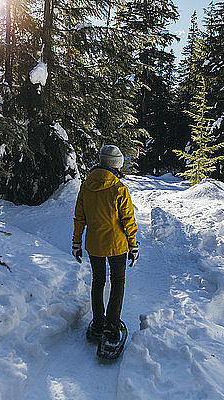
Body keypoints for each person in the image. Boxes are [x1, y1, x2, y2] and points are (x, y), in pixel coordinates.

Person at [72, 145, 139, 343]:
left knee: (98, 281)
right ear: (117, 165)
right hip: (117, 245)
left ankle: (98, 324)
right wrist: (133, 245)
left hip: (94, 244)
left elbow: (79, 217)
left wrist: (76, 242)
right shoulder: (119, 188)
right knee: (117, 283)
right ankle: (112, 326)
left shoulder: (86, 186)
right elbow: (128, 220)